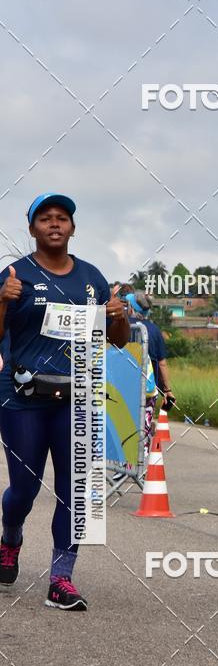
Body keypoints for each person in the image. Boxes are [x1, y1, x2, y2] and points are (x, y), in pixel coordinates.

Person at [0, 193, 129, 609]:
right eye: (44, 218)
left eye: (62, 218)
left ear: (73, 228)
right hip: (22, 397)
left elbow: (116, 341)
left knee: (76, 491)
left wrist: (118, 317)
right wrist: (4, 300)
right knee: (24, 488)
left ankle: (62, 578)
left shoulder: (92, 277)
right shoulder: (15, 273)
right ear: (32, 227)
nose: (54, 224)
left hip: (76, 397)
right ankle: (11, 536)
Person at [125, 291, 175, 452]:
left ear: (131, 308)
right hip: (148, 386)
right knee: (144, 424)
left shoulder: (123, 326)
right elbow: (162, 364)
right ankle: (141, 465)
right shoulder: (154, 330)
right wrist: (167, 390)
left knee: (125, 424)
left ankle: (126, 465)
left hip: (125, 384)